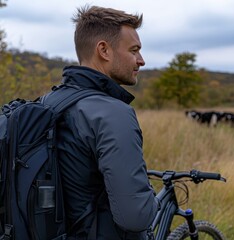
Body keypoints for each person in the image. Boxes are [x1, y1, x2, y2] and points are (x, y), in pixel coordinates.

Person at [55, 5, 159, 239]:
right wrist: (153, 201)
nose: (141, 60)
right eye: (134, 50)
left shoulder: (49, 103)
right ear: (104, 50)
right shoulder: (113, 114)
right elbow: (136, 217)